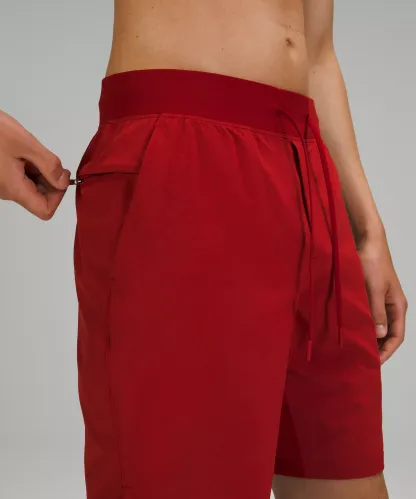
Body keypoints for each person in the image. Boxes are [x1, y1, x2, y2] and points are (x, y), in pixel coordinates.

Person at [0, 1, 408, 498]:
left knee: (344, 473)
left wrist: (367, 230)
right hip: (184, 152)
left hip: (310, 174)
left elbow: (317, 54)